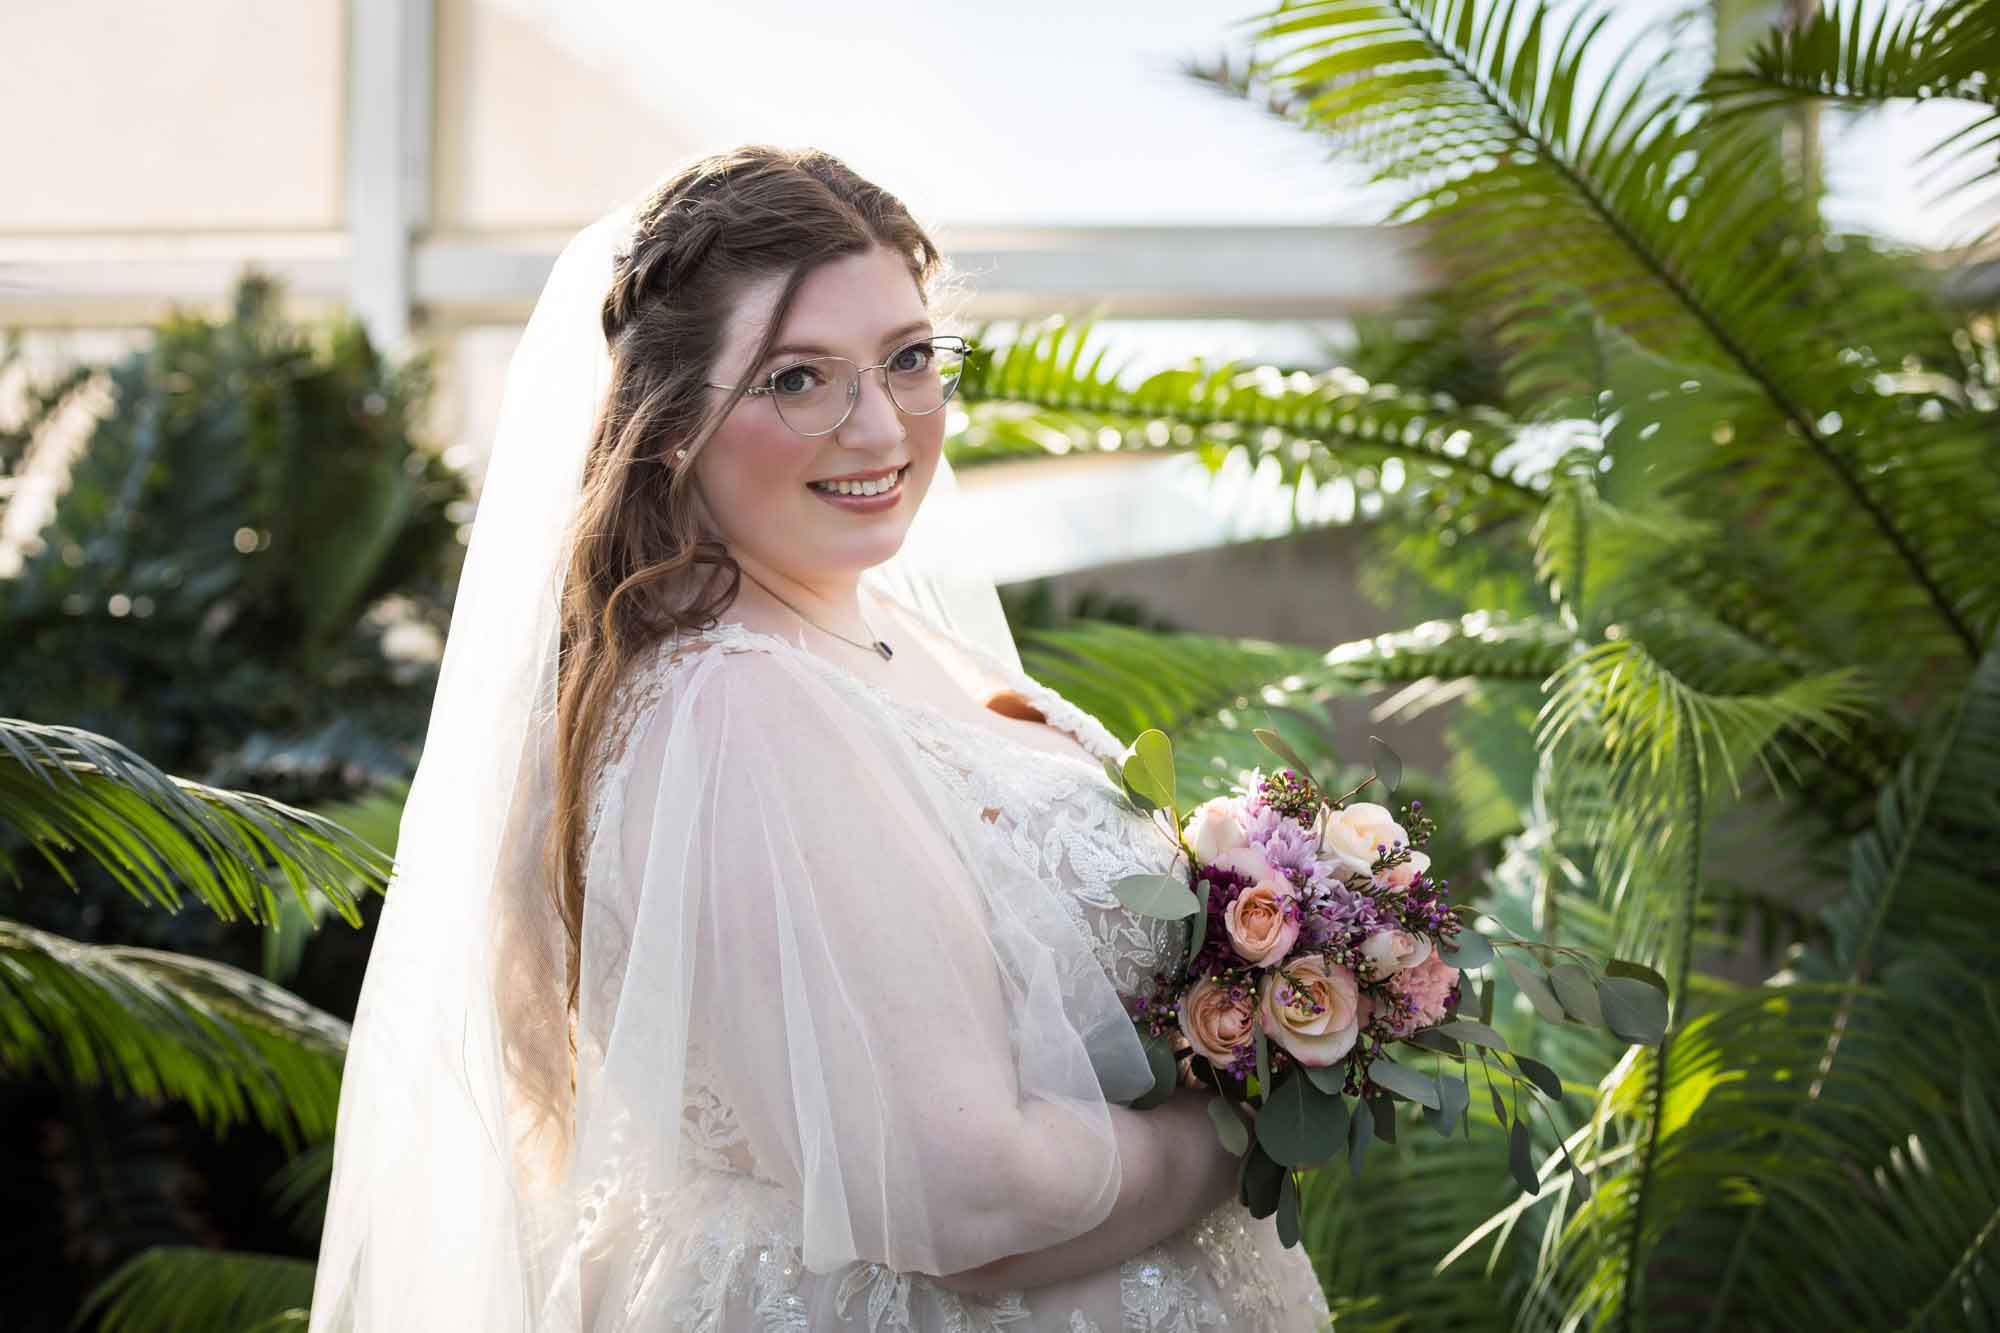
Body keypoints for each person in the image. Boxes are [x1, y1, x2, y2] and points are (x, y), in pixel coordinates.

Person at [307, 144, 1332, 1331]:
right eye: (799, 380)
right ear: (672, 419)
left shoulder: (872, 628)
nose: (878, 427)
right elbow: (962, 1201)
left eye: (906, 359)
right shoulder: (738, 703)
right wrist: (1254, 1114)